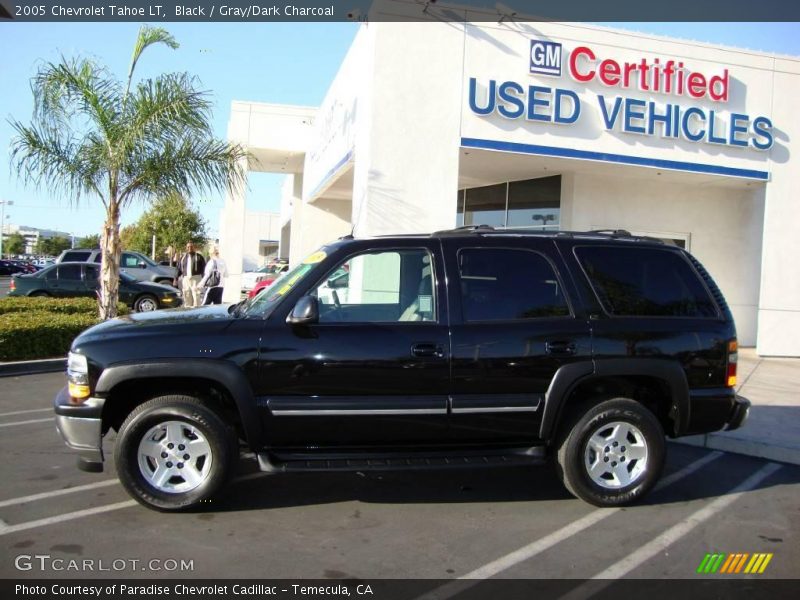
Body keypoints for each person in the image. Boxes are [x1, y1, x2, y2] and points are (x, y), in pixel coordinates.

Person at [174, 242, 206, 308]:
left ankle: (197, 313)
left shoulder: (199, 257)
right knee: (187, 296)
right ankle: (188, 313)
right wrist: (175, 279)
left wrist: (203, 281)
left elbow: (204, 269)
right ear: (186, 248)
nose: (189, 248)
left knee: (197, 297)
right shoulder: (183, 258)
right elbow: (178, 269)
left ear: (194, 248)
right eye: (188, 247)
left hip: (196, 279)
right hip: (186, 279)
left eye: (191, 247)